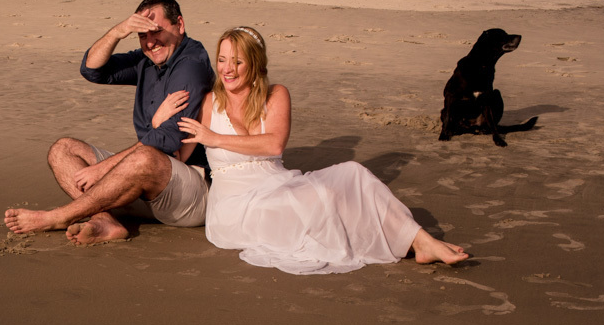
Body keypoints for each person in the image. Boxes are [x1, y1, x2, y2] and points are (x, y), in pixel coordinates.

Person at [165, 26, 468, 273]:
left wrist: (215, 139)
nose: (227, 69)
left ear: (255, 63)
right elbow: (178, 156)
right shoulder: (208, 103)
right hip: (235, 206)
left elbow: (273, 144)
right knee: (322, 203)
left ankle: (420, 241)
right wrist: (159, 120)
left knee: (352, 174)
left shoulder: (275, 95)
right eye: (222, 59)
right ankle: (416, 242)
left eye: (238, 61)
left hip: (278, 184)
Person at [4, 0, 214, 246]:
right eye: (142, 35)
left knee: (144, 157)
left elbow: (166, 139)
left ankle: (57, 217)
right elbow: (93, 70)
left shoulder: (190, 65)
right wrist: (119, 31)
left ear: (179, 25)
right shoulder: (147, 60)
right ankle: (105, 220)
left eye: (156, 31)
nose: (150, 42)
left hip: (190, 192)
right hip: (147, 184)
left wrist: (104, 168)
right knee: (63, 150)